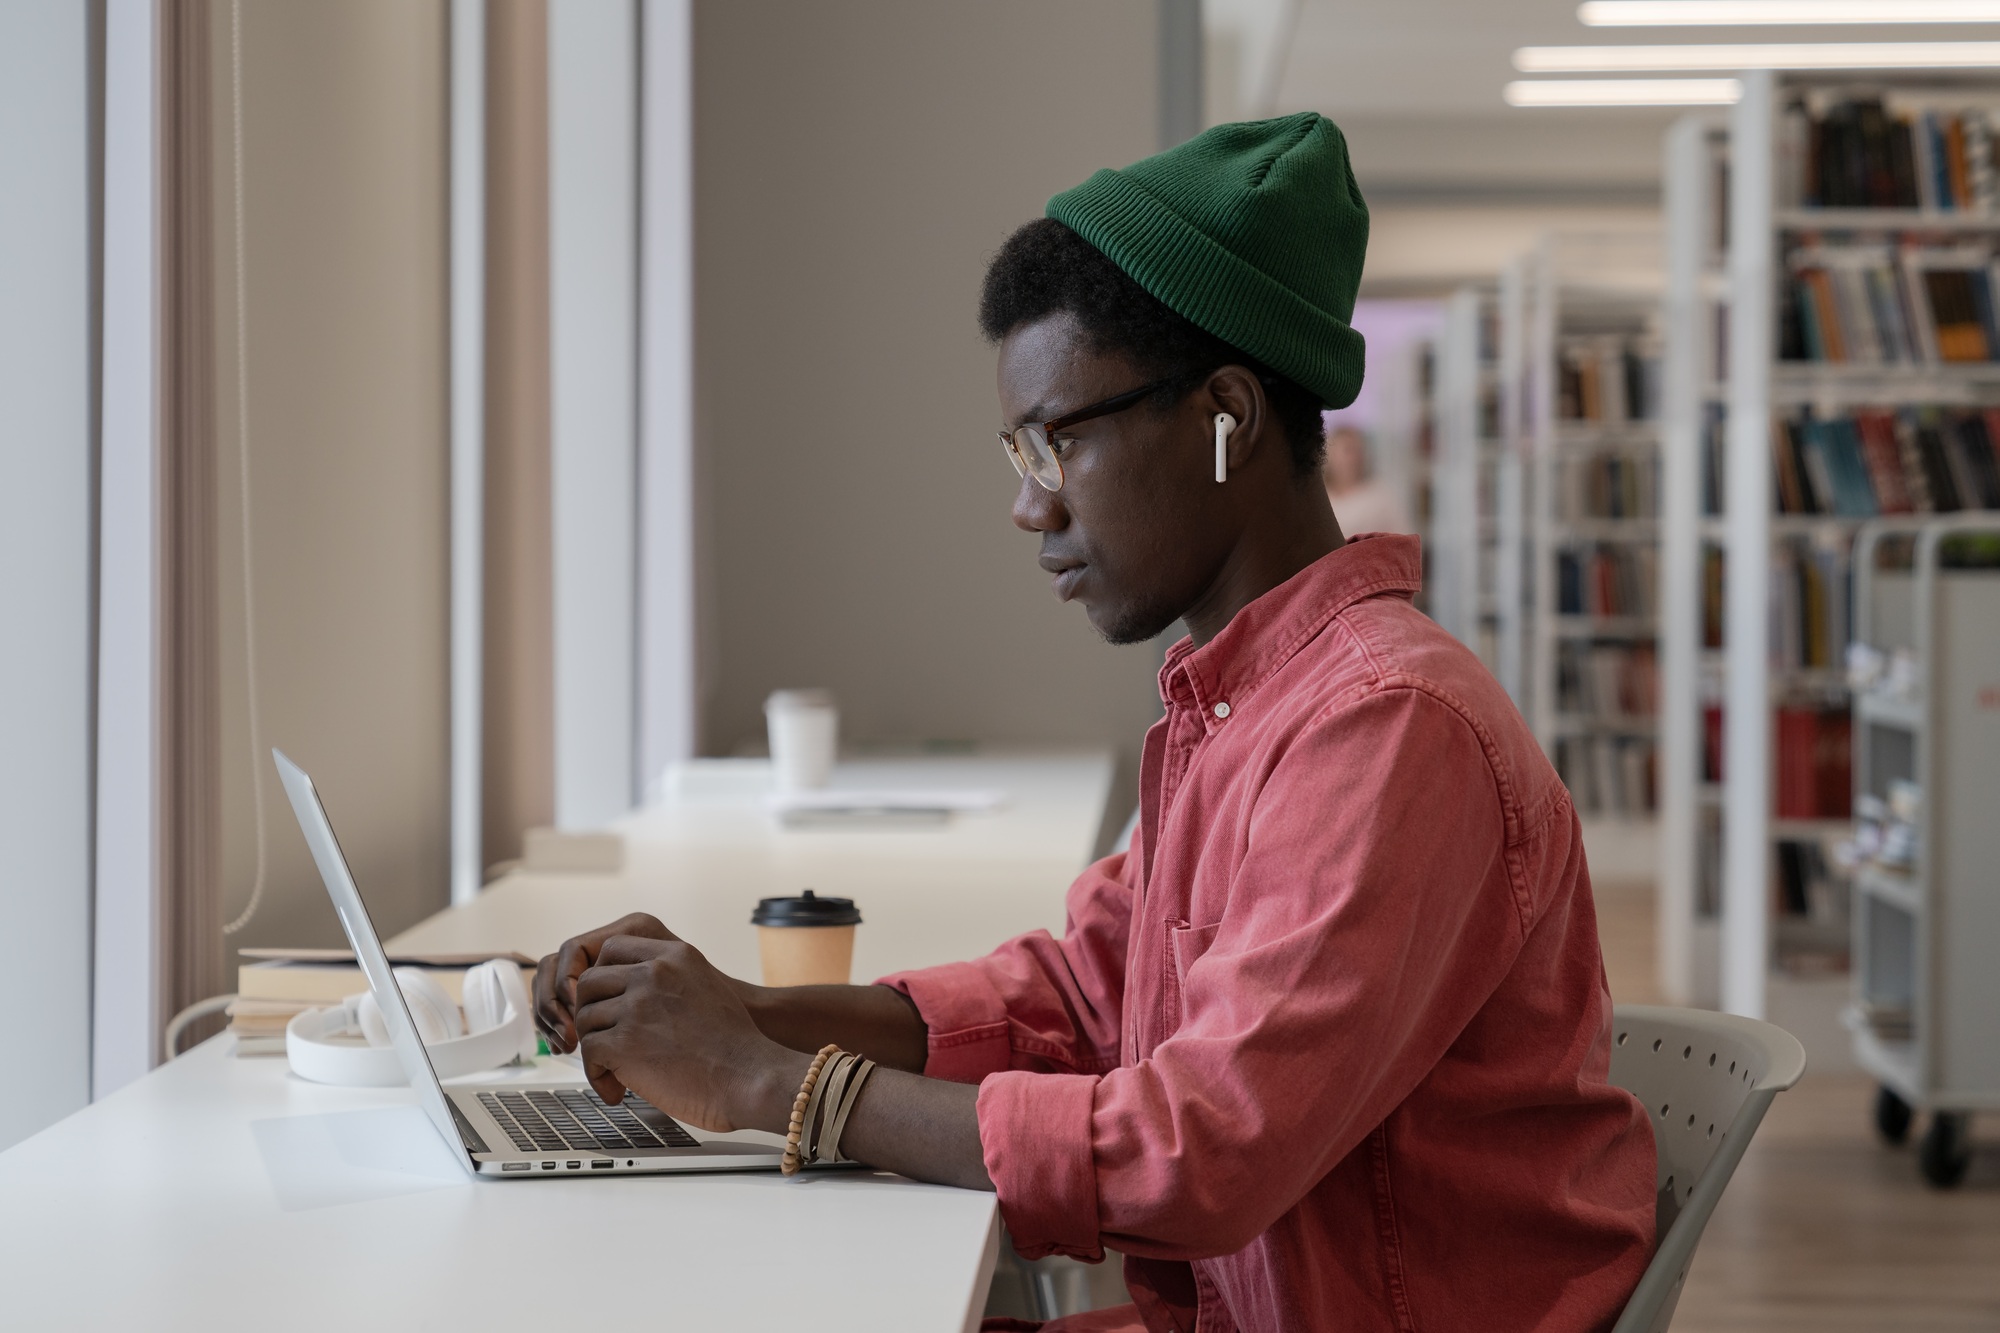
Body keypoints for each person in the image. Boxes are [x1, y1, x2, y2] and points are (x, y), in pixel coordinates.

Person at [532, 113, 1655, 1333]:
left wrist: (769, 1081)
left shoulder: (1386, 729)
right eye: (1018, 450)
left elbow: (1198, 1154)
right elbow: (1077, 999)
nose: (1027, 507)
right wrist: (729, 1008)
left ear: (1227, 416)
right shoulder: (1240, 705)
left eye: (1059, 441)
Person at [1320, 421, 1412, 536]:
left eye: (1356, 451)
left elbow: (1401, 538)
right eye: (1346, 450)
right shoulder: (1321, 497)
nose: (1352, 458)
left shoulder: (1379, 496)